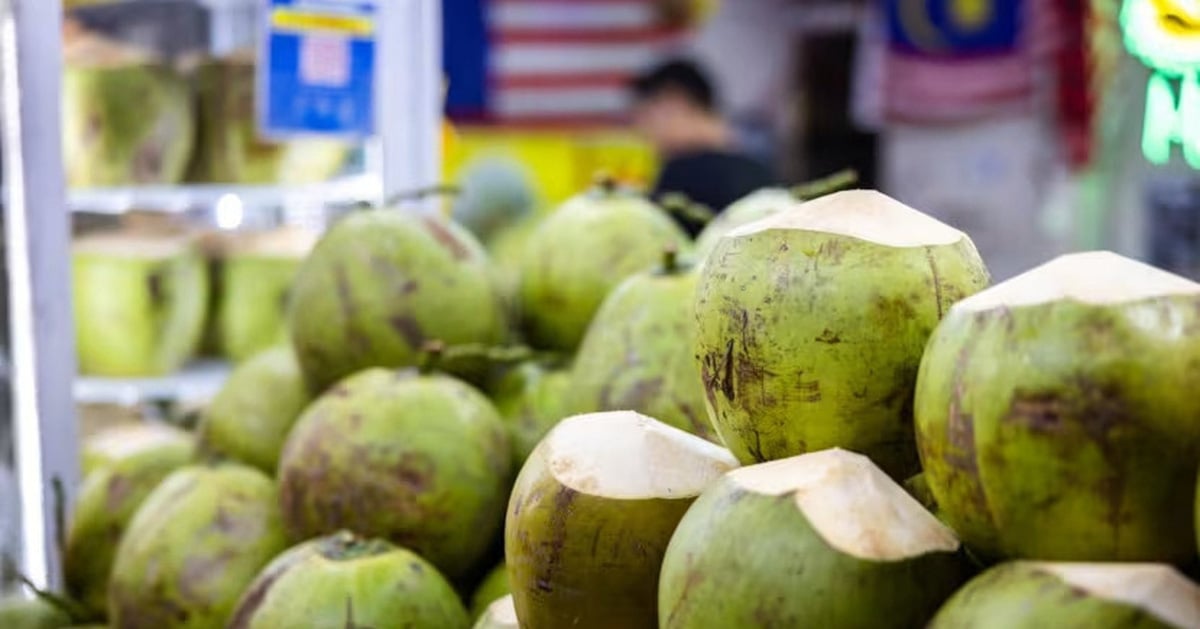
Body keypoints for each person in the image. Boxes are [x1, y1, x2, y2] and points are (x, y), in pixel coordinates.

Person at [630, 58, 776, 235]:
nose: (642, 130)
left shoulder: (680, 175)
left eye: (645, 115)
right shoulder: (762, 166)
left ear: (674, 102)